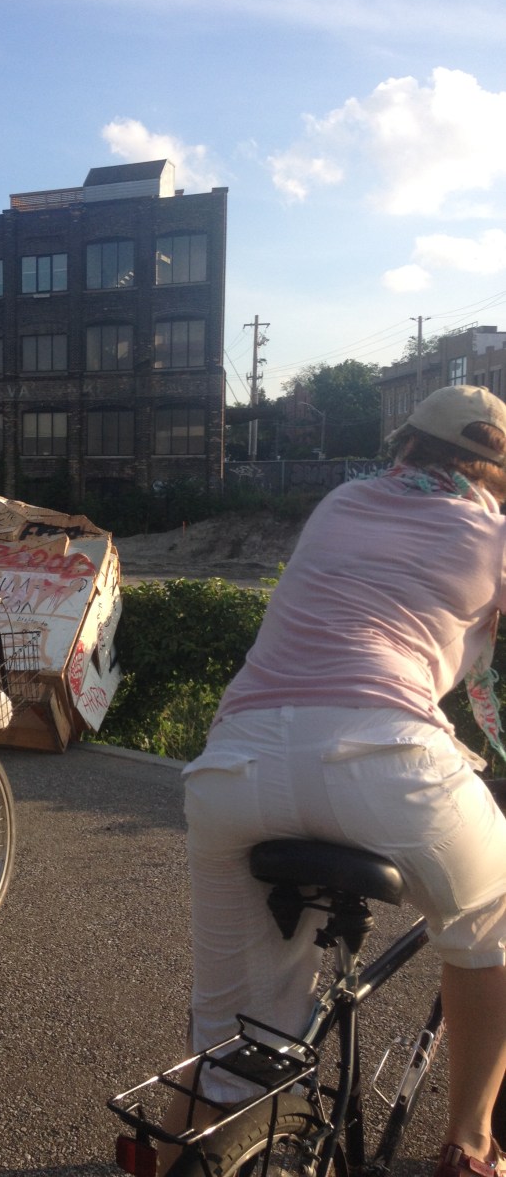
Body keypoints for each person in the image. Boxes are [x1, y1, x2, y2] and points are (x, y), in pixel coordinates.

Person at [162, 384, 506, 1177]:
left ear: (406, 447)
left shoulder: (340, 502)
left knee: (232, 1037)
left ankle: (190, 1139)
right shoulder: (492, 536)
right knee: (487, 924)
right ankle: (472, 1143)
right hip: (387, 764)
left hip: (233, 768)